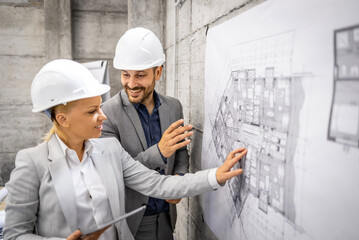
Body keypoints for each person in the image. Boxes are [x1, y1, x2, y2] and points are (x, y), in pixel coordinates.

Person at [3, 59, 247, 240]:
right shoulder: (32, 163)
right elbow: (14, 234)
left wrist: (215, 175)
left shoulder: (109, 149)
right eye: (92, 112)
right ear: (63, 119)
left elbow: (159, 184)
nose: (102, 116)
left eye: (99, 107)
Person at [100, 27, 190, 239]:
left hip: (167, 218)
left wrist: (180, 177)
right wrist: (159, 152)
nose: (131, 84)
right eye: (125, 75)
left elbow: (181, 151)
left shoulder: (174, 107)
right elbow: (114, 174)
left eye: (140, 75)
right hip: (132, 223)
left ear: (158, 72)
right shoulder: (107, 114)